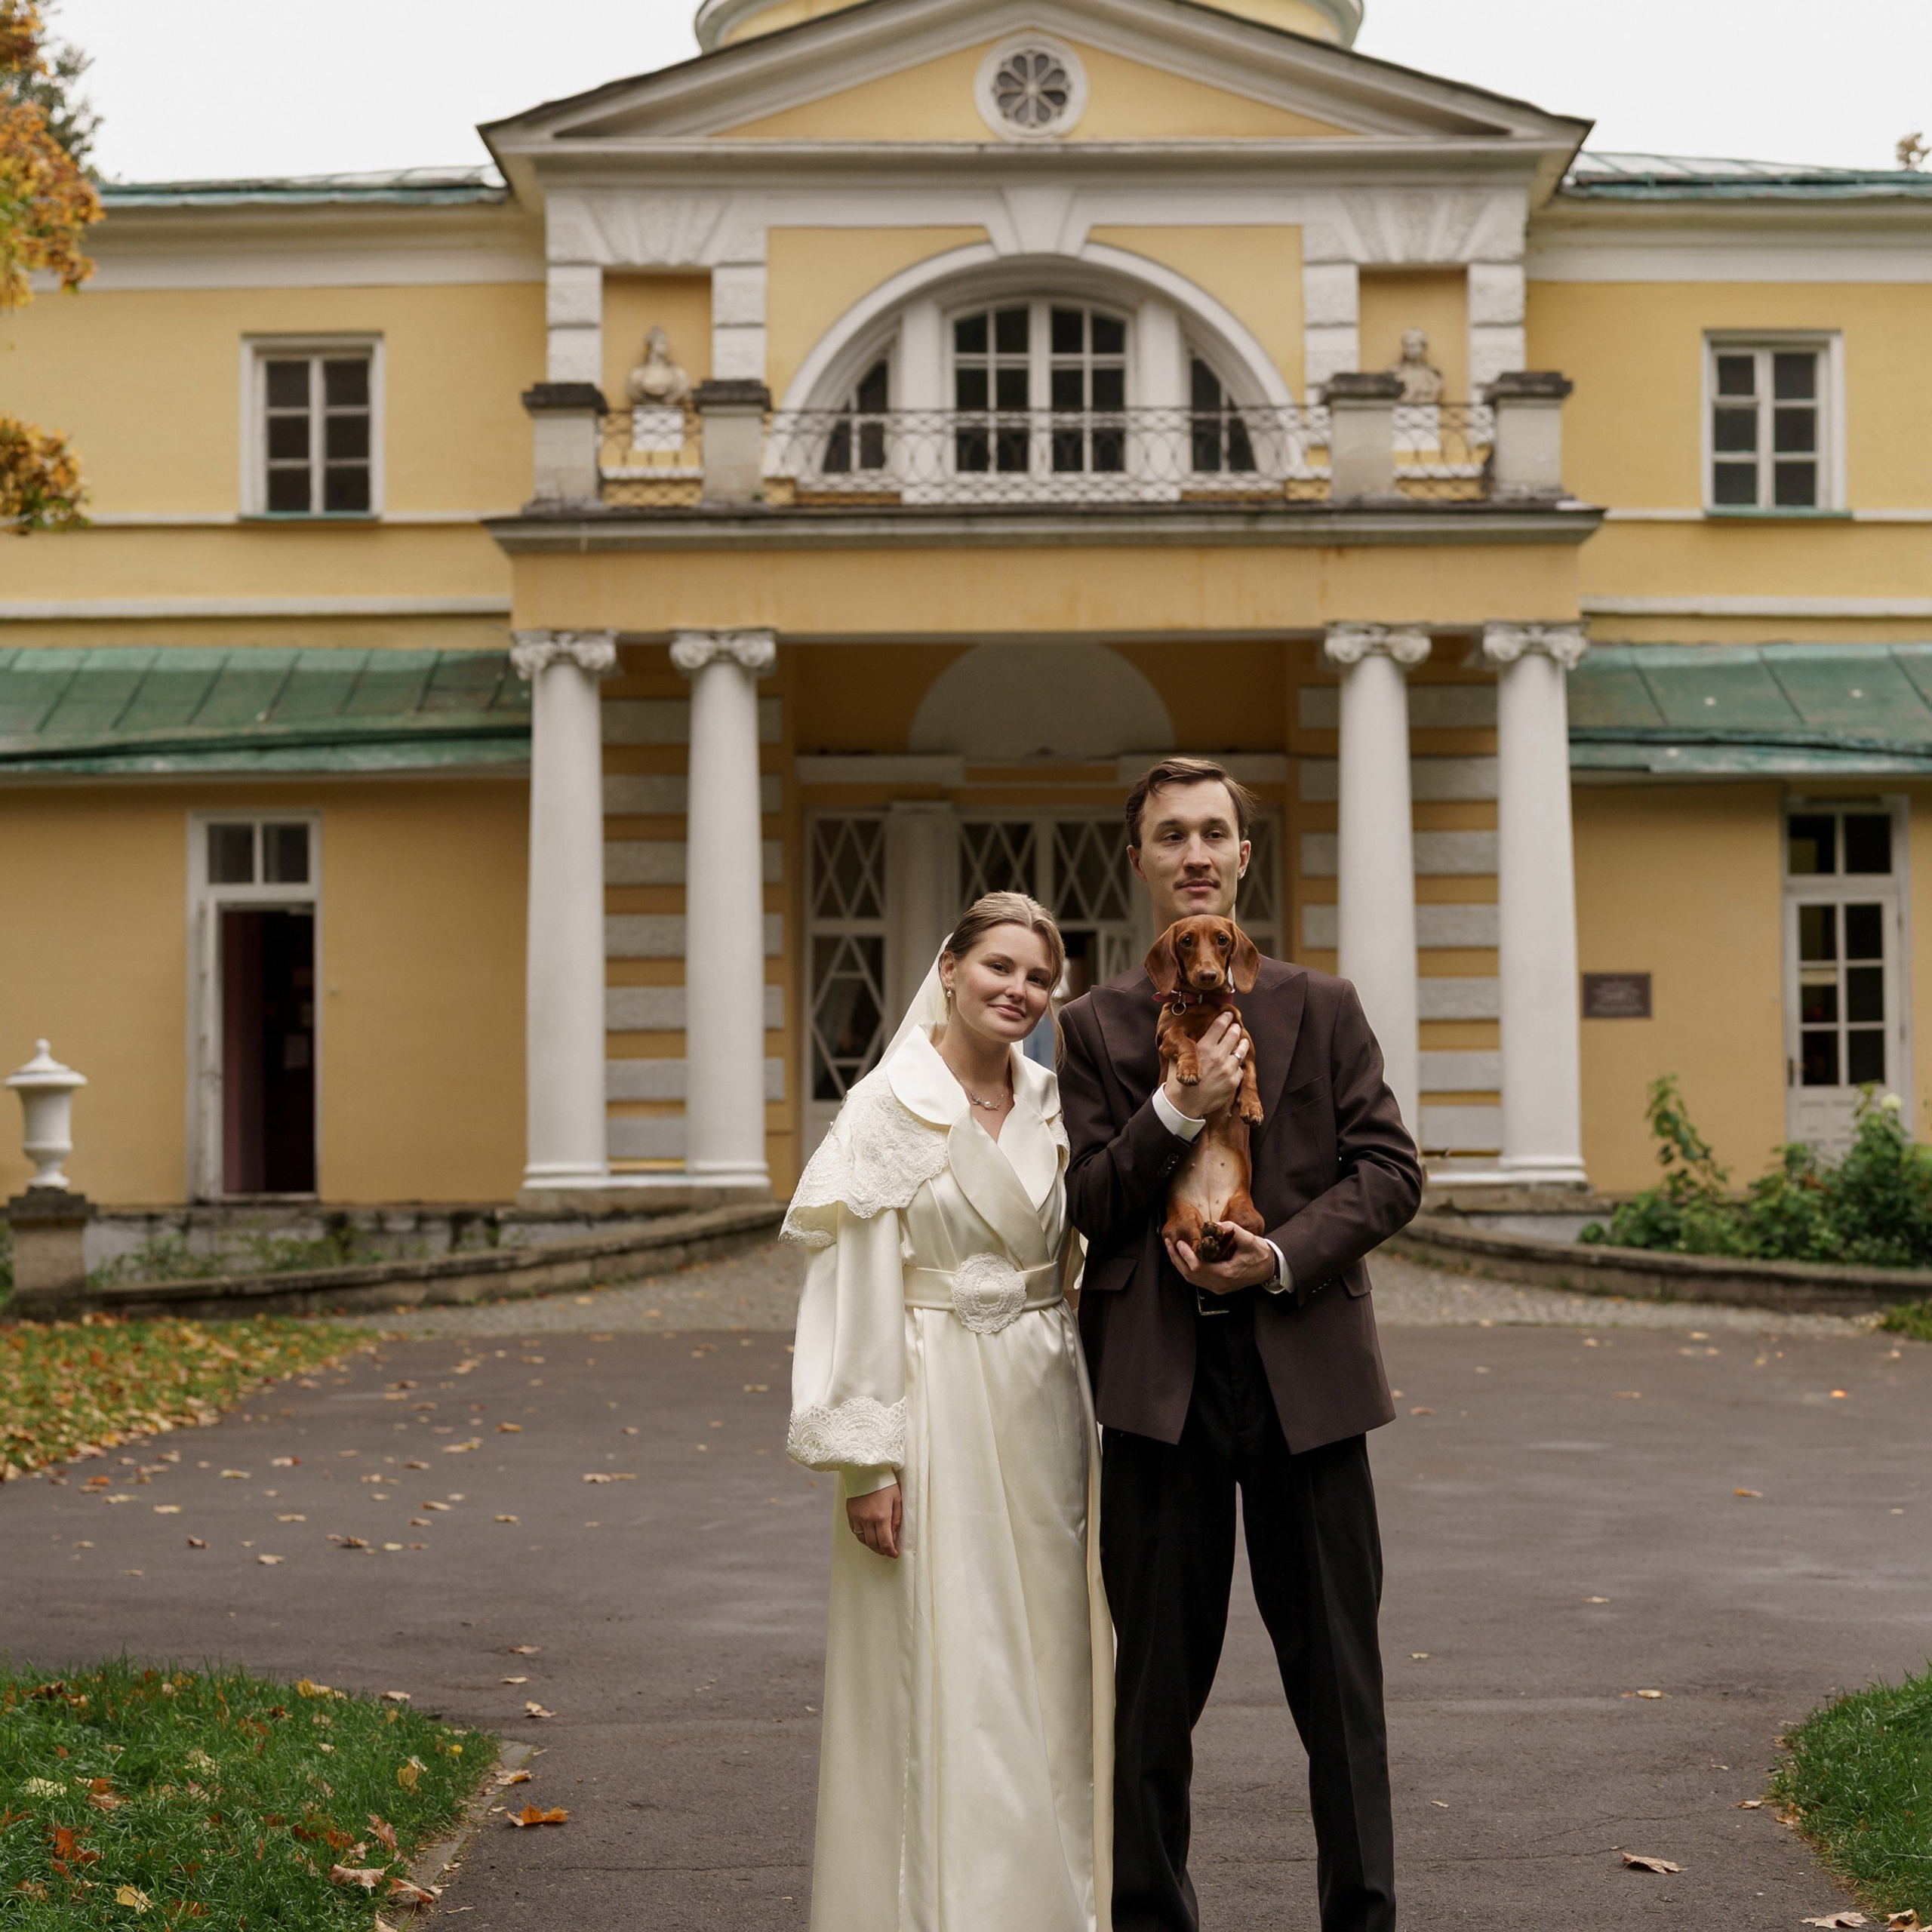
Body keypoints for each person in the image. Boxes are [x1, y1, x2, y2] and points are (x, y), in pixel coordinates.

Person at [1057, 757, 1424, 1932]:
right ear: (1142, 862)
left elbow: (1389, 1174)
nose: (1196, 852)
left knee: (1341, 1692)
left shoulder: (1322, 1007)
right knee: (1153, 1694)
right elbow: (1085, 1208)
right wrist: (1171, 1112)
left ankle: (1362, 1919)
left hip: (1303, 1380)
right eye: (1171, 835)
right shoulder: (1090, 1027)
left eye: (1214, 831)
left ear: (1245, 854)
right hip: (1160, 1391)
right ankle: (1149, 1919)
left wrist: (1274, 1256)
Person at [785, 891, 1113, 1932]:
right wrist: (866, 1464)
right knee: (947, 1650)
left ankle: (1054, 1898)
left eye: (1038, 978)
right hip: (931, 1407)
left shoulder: (1058, 1102)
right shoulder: (891, 1106)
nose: (1018, 990)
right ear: (950, 966)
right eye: (1000, 968)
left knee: (1054, 1647)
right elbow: (857, 1286)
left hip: (1046, 1397)